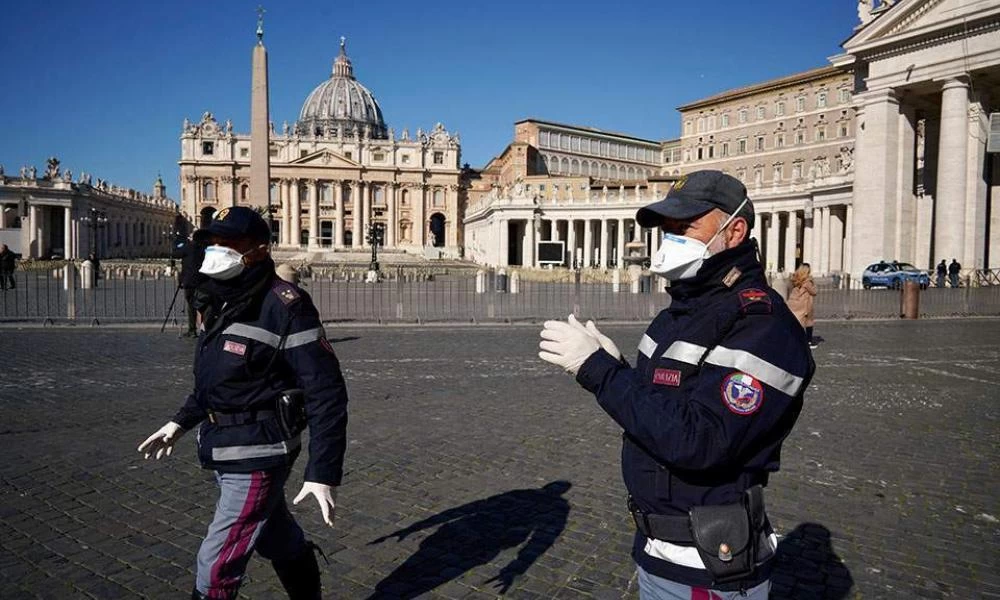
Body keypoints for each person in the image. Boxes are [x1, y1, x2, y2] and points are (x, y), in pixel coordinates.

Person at [538, 170, 813, 599]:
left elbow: (700, 440)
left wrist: (599, 370)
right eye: (667, 231)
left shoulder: (762, 324)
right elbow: (659, 407)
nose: (671, 241)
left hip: (710, 564)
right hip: (661, 549)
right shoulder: (679, 313)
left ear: (734, 230)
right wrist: (620, 366)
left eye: (685, 228)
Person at [137, 207, 350, 600]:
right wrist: (180, 422)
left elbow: (326, 391)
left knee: (216, 562)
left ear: (258, 250)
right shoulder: (218, 300)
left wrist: (322, 472)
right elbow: (217, 381)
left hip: (260, 452)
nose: (217, 250)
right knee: (276, 537)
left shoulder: (286, 306)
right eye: (212, 242)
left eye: (229, 243)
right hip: (222, 443)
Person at [172, 234, 208, 337]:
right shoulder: (203, 249)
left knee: (191, 305)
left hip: (189, 281)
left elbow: (175, 254)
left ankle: (192, 330)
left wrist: (177, 244)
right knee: (202, 305)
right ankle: (205, 329)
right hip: (202, 280)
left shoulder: (188, 247)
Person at [788, 263, 818, 349]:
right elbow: (814, 292)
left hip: (794, 303)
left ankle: (794, 338)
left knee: (795, 321)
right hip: (804, 304)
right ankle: (808, 341)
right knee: (808, 322)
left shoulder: (795, 279)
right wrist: (813, 283)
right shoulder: (807, 282)